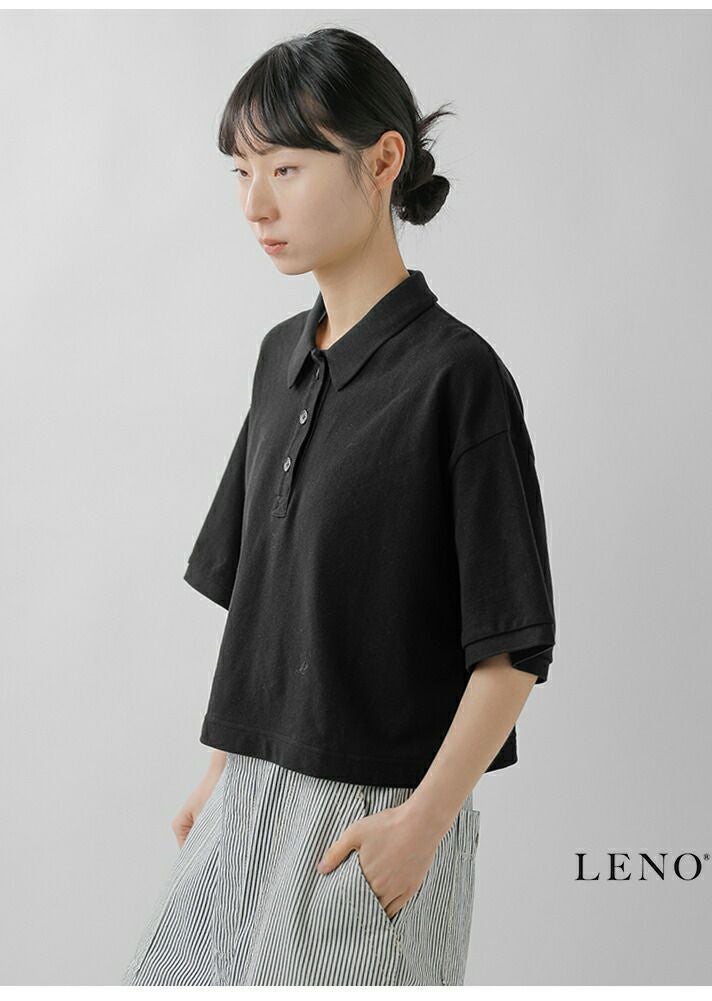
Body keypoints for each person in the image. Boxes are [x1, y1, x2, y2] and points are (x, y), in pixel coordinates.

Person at [122, 25, 556, 988]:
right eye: (242, 172)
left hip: (371, 815)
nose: (255, 203)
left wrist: (421, 826)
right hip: (244, 797)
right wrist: (222, 768)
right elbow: (265, 598)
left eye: (285, 167)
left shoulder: (459, 379)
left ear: (383, 160)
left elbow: (513, 648)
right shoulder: (280, 358)